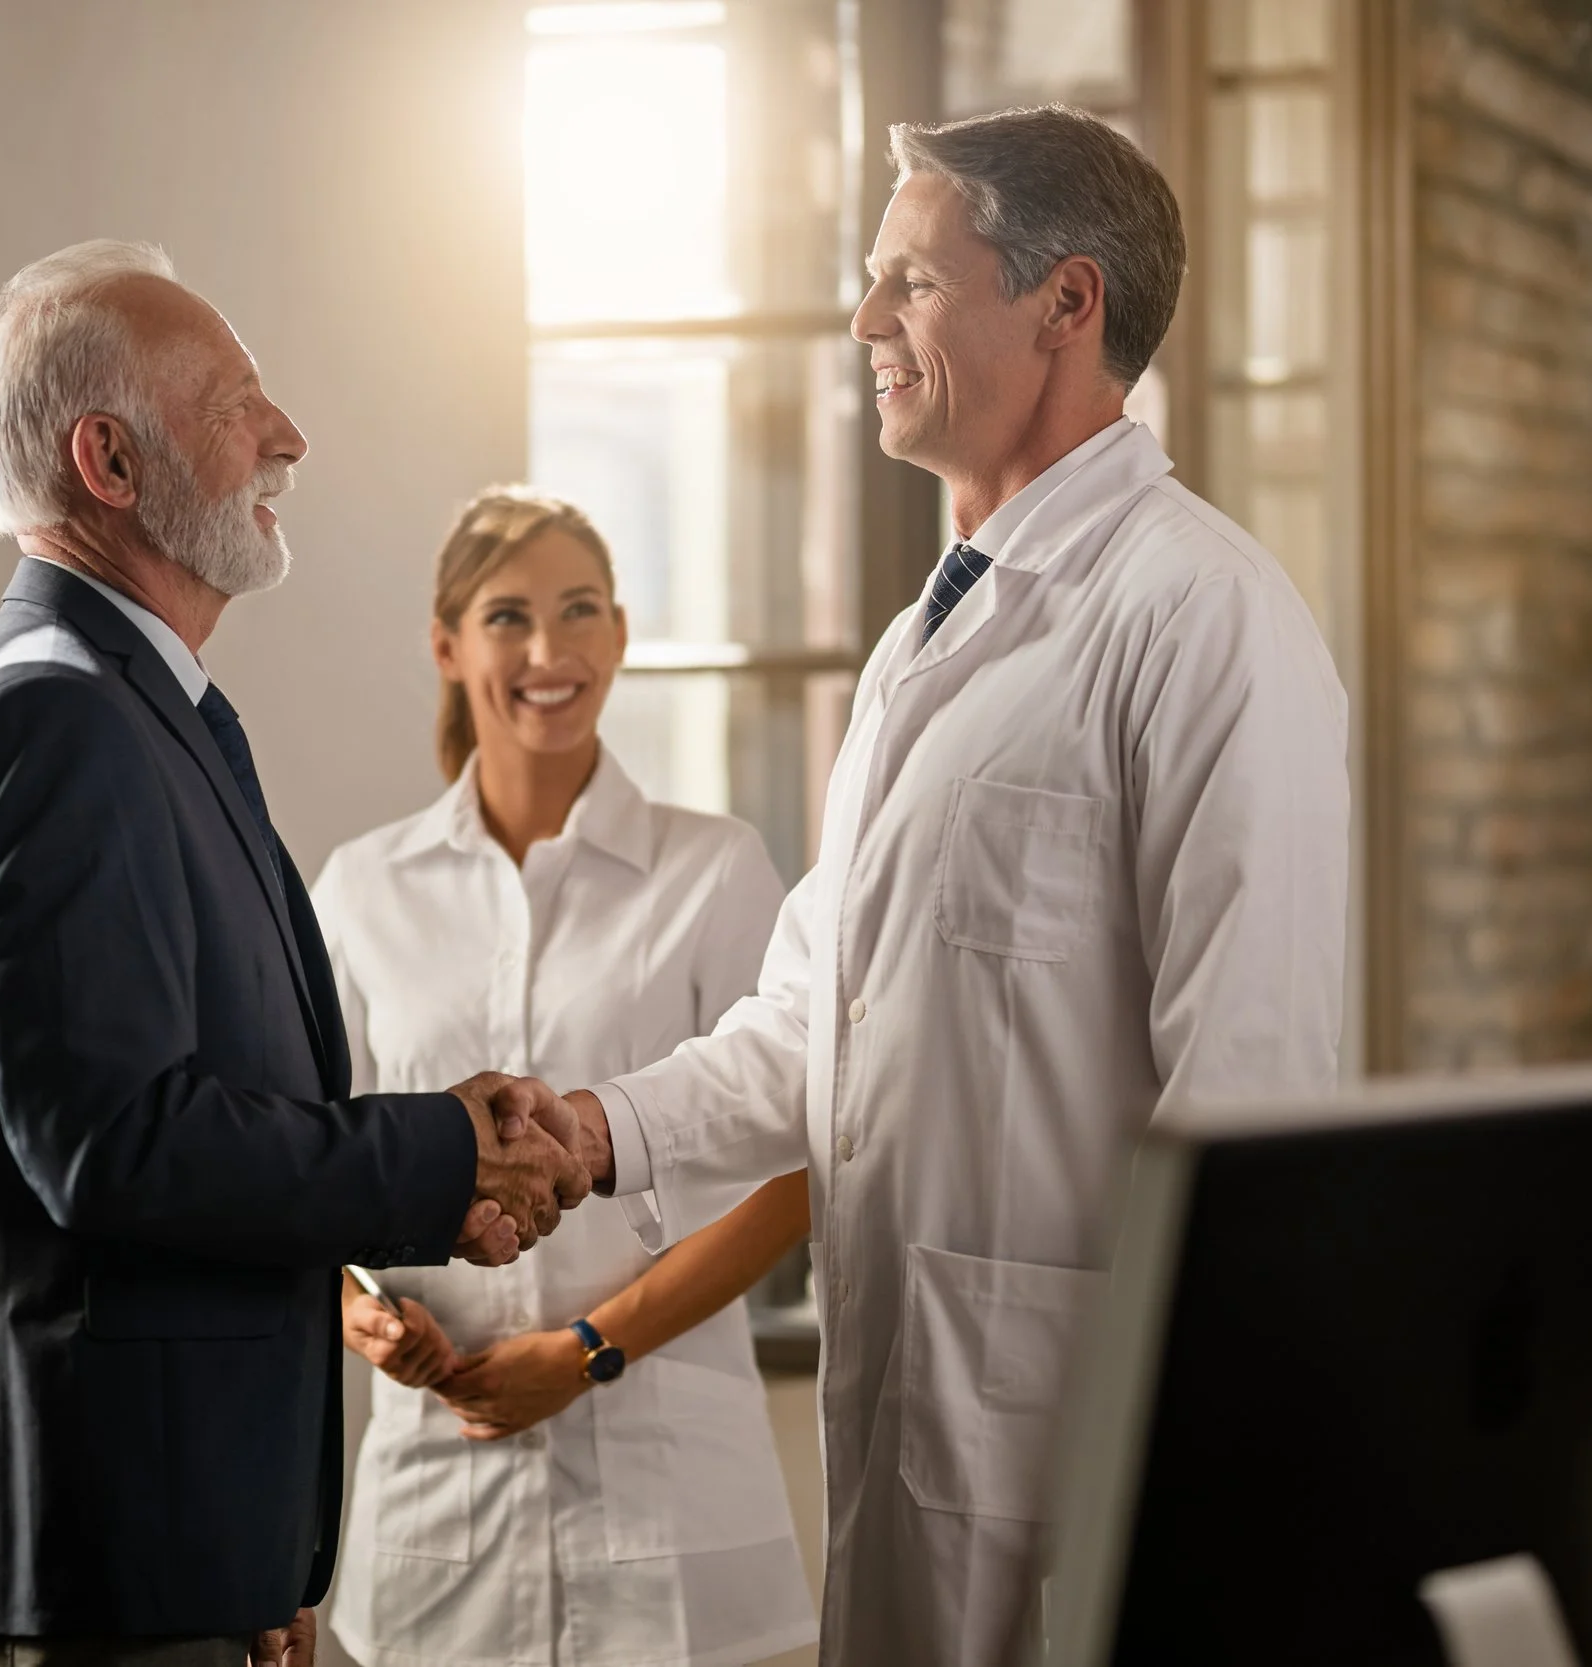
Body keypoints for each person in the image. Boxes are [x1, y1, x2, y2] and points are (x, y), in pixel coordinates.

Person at [558, 107, 1353, 1665]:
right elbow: (814, 1021)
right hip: (917, 1456)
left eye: (909, 284)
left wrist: (1193, 1535)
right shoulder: (927, 642)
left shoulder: (1205, 619)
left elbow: (1248, 1111)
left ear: (1068, 305)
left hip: (1084, 1492)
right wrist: (597, 1131)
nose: (863, 323)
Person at [0, 241, 594, 1667]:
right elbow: (117, 1144)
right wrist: (449, 1155)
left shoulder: (133, 703)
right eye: (237, 404)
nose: (288, 438)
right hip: (101, 1550)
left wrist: (249, 1543)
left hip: (175, 1542)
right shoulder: (59, 720)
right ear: (111, 459)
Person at [309, 489, 819, 1667]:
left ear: (621, 634)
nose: (550, 651)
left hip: (673, 1506)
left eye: (579, 610)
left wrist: (588, 1347)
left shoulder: (715, 870)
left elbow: (796, 1170)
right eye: (508, 617)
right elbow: (306, 1161)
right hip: (436, 1516)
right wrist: (356, 1311)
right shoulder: (360, 889)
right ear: (446, 644)